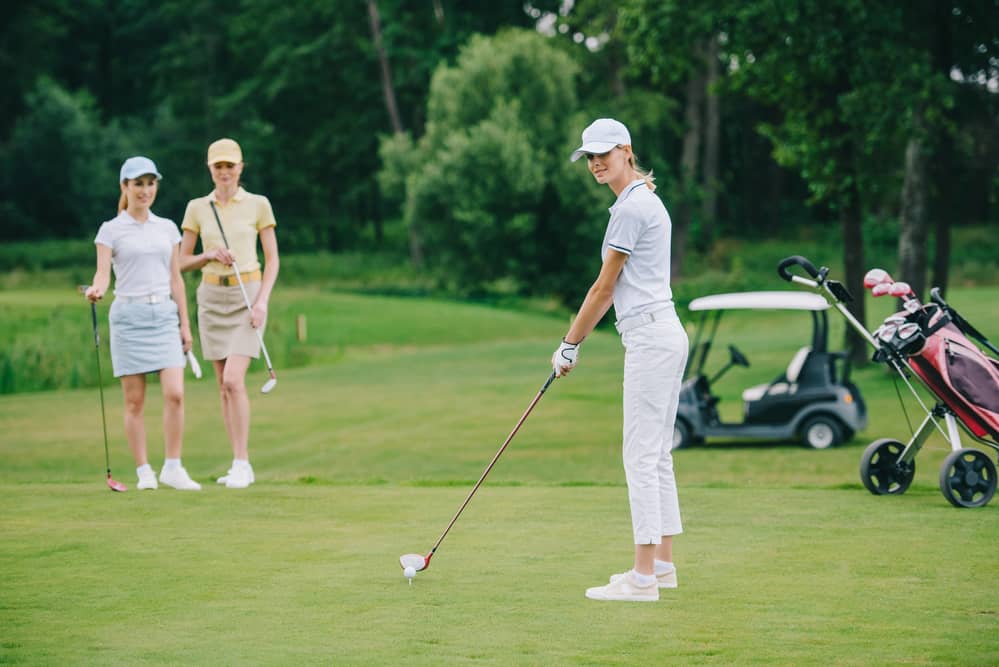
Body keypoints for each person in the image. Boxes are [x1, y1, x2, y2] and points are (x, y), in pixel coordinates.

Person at [552, 118, 688, 602]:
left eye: (603, 154)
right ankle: (663, 566)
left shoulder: (631, 209)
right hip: (661, 332)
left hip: (651, 337)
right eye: (589, 157)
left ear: (626, 150)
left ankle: (643, 578)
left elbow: (602, 288)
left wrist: (570, 343)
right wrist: (575, 342)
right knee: (656, 455)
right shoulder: (643, 201)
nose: (595, 163)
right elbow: (610, 293)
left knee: (640, 456)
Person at [85, 156, 201, 491]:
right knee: (135, 402)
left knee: (176, 394)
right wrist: (96, 290)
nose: (145, 190)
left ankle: (173, 467)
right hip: (128, 318)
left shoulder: (166, 228)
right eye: (138, 184)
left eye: (150, 184)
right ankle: (144, 471)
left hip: (163, 315)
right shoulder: (110, 230)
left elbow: (176, 280)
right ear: (125, 187)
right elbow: (103, 273)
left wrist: (185, 325)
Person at [179, 138, 279, 489]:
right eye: (218, 166)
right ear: (210, 169)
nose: (224, 172)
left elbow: (273, 259)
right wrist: (209, 255)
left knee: (235, 380)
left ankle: (242, 462)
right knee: (223, 386)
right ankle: (237, 461)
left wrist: (262, 301)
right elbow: (181, 261)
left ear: (240, 167)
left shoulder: (258, 205)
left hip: (248, 294)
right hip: (210, 297)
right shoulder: (197, 208)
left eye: (230, 166)